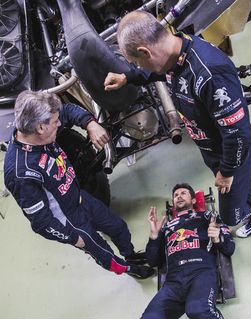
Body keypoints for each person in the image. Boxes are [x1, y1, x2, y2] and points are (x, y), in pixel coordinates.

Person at [104, 11, 251, 238]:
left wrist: (227, 171)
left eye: (137, 62)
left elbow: (238, 133)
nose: (139, 66)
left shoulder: (209, 73)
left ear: (146, 51)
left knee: (231, 211)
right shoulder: (175, 54)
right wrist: (129, 77)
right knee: (242, 185)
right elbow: (158, 73)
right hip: (214, 148)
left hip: (233, 153)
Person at [4, 90, 153, 279]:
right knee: (106, 256)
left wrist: (90, 123)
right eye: (55, 122)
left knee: (119, 227)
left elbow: (66, 111)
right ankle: (129, 270)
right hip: (72, 222)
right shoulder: (19, 172)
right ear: (41, 128)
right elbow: (41, 222)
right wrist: (74, 238)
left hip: (81, 198)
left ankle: (130, 256)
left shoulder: (38, 128)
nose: (60, 123)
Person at [141, 183, 246, 319]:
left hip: (201, 272)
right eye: (176, 194)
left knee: (198, 309)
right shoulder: (167, 228)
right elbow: (153, 261)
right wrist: (154, 236)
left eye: (183, 193)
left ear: (192, 199)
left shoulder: (208, 216)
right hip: (174, 282)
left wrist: (217, 238)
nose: (179, 196)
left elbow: (229, 249)